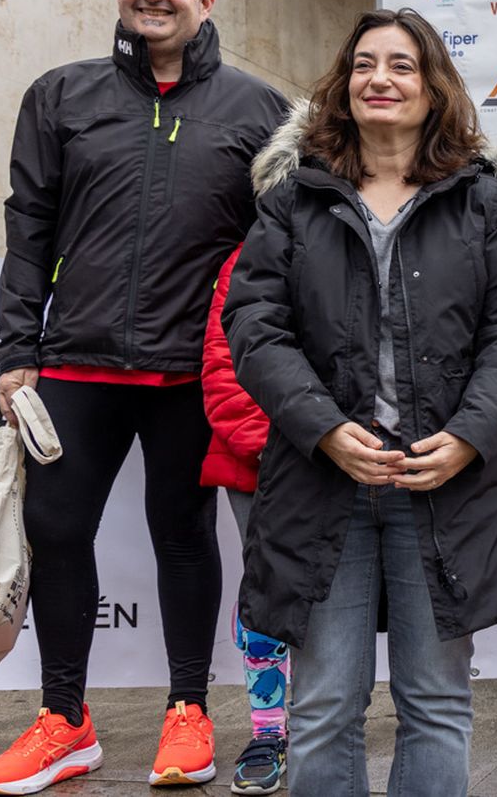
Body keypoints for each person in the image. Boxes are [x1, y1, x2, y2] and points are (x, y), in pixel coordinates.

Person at [0, 0, 288, 794]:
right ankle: (64, 721)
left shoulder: (259, 110)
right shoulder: (60, 95)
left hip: (193, 371)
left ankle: (188, 711)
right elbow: (28, 229)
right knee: (56, 530)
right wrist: (16, 348)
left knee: (183, 535)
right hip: (74, 362)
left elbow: (280, 252)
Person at [222, 8, 497, 797]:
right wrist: (325, 428)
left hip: (444, 488)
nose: (381, 78)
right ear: (344, 84)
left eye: (402, 65)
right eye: (365, 63)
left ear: (434, 87)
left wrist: (467, 437)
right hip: (321, 483)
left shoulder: (481, 200)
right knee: (322, 707)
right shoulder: (294, 196)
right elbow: (254, 325)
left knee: (436, 704)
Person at [200, 245, 289, 794]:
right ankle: (268, 730)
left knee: (346, 600)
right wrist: (272, 447)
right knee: (265, 592)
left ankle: (328, 719)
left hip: (354, 459)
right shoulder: (250, 255)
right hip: (262, 461)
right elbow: (222, 360)